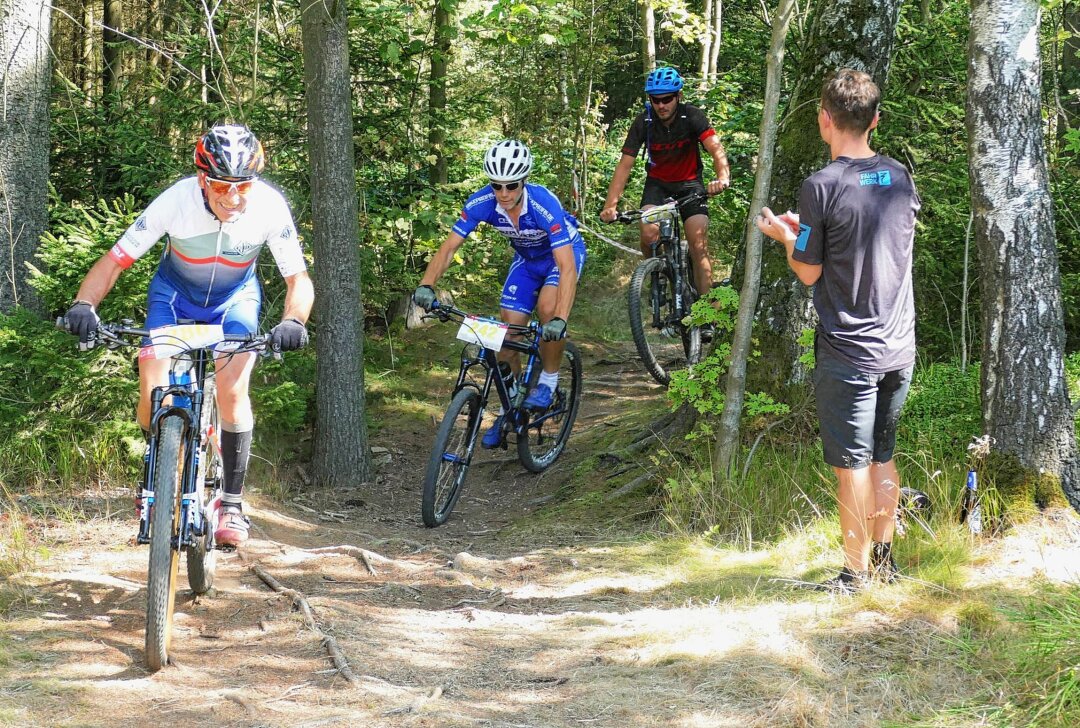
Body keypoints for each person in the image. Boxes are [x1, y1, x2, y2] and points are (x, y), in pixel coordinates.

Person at [64, 124, 314, 547]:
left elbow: (298, 279)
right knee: (153, 389)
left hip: (235, 300)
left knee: (233, 388)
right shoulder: (176, 201)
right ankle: (160, 468)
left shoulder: (270, 206)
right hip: (174, 297)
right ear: (202, 178)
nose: (232, 198)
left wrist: (294, 321)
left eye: (243, 187)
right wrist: (84, 304)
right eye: (220, 185)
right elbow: (114, 261)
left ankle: (231, 504)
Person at [756, 69, 919, 593]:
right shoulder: (899, 176)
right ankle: (884, 561)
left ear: (825, 119)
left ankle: (855, 574)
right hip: (899, 344)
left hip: (850, 346)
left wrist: (785, 236)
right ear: (875, 120)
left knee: (851, 464)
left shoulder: (820, 187)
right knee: (883, 455)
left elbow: (808, 270)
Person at [412, 139, 585, 448]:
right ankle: (514, 401)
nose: (504, 193)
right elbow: (449, 247)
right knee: (508, 331)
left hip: (563, 257)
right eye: (496, 186)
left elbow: (566, 267)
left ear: (524, 181)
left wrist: (560, 317)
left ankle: (548, 380)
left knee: (548, 308)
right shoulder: (482, 203)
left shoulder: (543, 205)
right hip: (527, 261)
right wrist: (427, 284)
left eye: (511, 185)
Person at [599, 66, 731, 296]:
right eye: (656, 100)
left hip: (690, 184)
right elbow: (624, 165)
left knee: (698, 244)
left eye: (667, 99)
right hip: (658, 185)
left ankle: (709, 313)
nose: (661, 105)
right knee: (649, 233)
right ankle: (657, 273)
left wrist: (722, 177)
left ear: (678, 96)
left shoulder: (692, 116)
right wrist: (611, 205)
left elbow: (715, 148)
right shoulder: (644, 122)